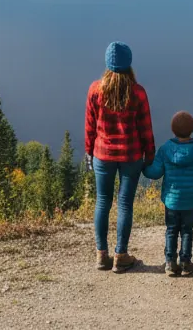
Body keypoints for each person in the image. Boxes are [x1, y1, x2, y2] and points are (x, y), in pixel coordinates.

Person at [84, 41, 155, 273]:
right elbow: (146, 128)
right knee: (125, 204)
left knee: (102, 201)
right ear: (129, 64)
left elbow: (90, 127)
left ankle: (101, 255)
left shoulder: (96, 89)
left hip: (102, 155)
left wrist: (88, 153)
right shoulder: (138, 92)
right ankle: (120, 256)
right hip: (131, 155)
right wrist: (150, 155)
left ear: (107, 63)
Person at [142, 111, 193, 277]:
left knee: (171, 230)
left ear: (173, 130)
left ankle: (170, 263)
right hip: (190, 201)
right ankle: (185, 262)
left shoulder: (165, 149)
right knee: (187, 231)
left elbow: (155, 172)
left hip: (171, 200)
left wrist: (143, 165)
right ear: (192, 129)